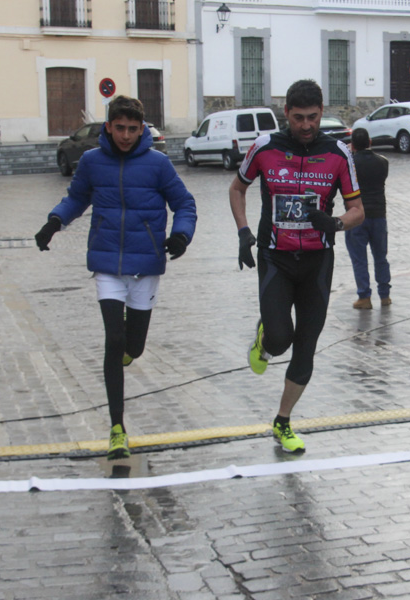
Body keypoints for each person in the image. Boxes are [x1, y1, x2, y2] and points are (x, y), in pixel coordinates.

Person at [34, 95, 196, 460]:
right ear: (108, 126)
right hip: (107, 263)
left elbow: (184, 203)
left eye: (132, 129)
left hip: (145, 264)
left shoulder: (157, 164)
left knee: (133, 347)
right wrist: (54, 222)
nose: (125, 135)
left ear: (142, 130)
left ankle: (127, 347)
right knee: (113, 340)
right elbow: (76, 198)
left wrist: (182, 234)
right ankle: (117, 428)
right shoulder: (92, 161)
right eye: (119, 128)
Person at [229, 79, 363, 453]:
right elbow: (237, 188)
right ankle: (265, 338)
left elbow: (358, 210)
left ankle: (283, 421)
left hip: (318, 261)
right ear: (286, 113)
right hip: (276, 257)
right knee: (280, 338)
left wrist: (335, 223)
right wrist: (243, 232)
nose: (306, 125)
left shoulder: (338, 152)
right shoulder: (266, 147)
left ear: (322, 113)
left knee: (305, 347)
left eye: (314, 117)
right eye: (299, 118)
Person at [345, 127, 392, 309]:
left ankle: (364, 296)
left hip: (357, 215)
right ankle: (385, 295)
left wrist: (350, 154)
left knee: (359, 259)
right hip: (379, 215)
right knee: (381, 257)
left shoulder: (351, 164)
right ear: (370, 142)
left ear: (353, 145)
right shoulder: (383, 162)